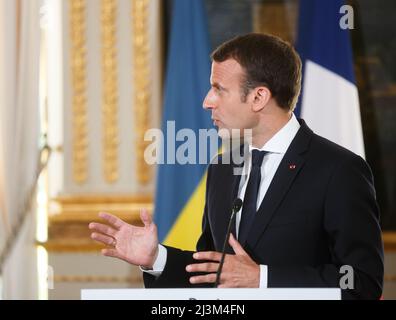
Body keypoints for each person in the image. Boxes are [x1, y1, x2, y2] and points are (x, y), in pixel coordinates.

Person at [89, 33, 384, 299]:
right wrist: (156, 259)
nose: (207, 101)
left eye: (219, 89)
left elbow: (362, 282)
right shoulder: (222, 168)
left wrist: (263, 279)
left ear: (258, 97)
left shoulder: (340, 170)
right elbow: (213, 273)